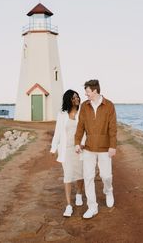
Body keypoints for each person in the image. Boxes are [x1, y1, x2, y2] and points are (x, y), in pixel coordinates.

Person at [75, 79, 117, 219]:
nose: (86, 94)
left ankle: (108, 190)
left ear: (95, 90)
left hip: (105, 149)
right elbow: (80, 126)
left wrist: (112, 146)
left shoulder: (109, 105)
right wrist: (77, 142)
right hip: (88, 148)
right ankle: (92, 207)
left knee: (106, 176)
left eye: (87, 92)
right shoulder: (84, 106)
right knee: (88, 177)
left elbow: (113, 128)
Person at [50, 89, 85, 217]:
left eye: (78, 97)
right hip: (66, 149)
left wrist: (83, 143)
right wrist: (53, 149)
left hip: (80, 149)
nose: (77, 99)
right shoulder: (62, 114)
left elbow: (85, 131)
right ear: (68, 99)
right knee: (68, 176)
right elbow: (58, 133)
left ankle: (79, 193)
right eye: (74, 97)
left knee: (80, 174)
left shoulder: (82, 113)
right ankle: (69, 205)